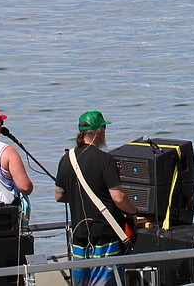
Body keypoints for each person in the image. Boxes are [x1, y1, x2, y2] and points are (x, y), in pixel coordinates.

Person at [55, 111, 138, 286]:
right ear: (99, 131)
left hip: (78, 238)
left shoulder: (66, 159)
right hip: (104, 238)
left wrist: (80, 197)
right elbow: (118, 197)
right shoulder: (105, 160)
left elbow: (59, 195)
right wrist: (133, 211)